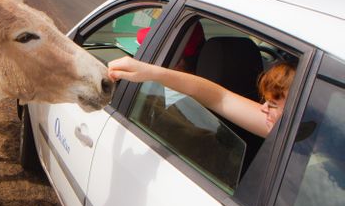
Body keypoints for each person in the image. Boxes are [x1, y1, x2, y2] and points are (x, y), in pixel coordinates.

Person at [108, 57, 295, 138]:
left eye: (273, 104)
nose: (262, 109)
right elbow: (220, 97)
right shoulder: (280, 127)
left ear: (298, 111)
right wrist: (153, 73)